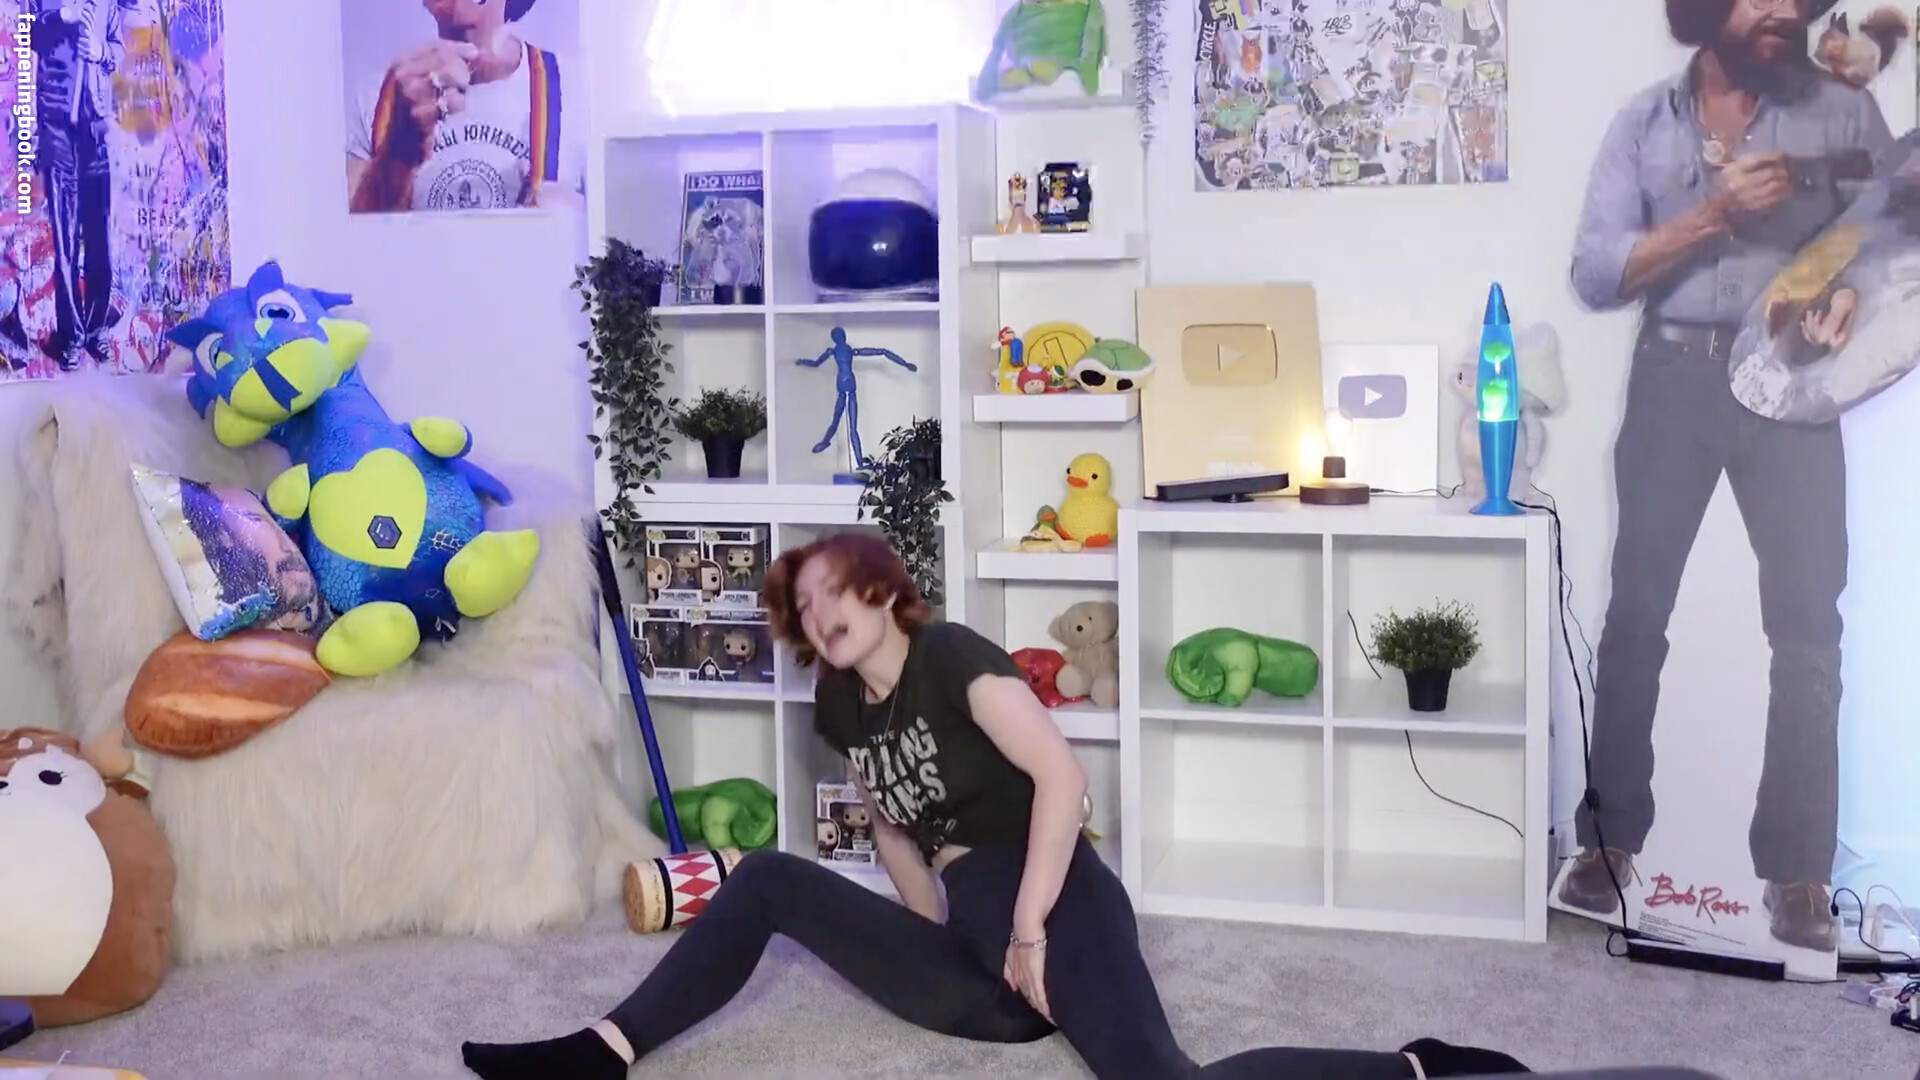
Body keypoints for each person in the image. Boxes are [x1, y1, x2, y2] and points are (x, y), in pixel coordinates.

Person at [461, 533, 1529, 1079]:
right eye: (802, 606)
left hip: (1053, 904)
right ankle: (605, 1049)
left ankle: (1415, 1065)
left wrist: (1027, 931)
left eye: (834, 590)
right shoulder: (838, 704)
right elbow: (891, 819)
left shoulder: (954, 656)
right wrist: (926, 925)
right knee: (772, 878)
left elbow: (1064, 779)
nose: (819, 613)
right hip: (976, 951)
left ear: (881, 589)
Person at [1559, 0, 1893, 953]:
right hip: (1673, 374)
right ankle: (1609, 843)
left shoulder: (1842, 112)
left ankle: (1800, 875)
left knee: (1809, 627)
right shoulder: (1644, 121)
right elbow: (1595, 273)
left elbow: (1897, 232)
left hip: (1795, 383)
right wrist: (1714, 214)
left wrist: (1852, 299)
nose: (1780, 11)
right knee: (1637, 613)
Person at [344, 0, 584, 213]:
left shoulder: (578, 89)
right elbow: (343, 239)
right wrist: (397, 156)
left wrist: (576, 222)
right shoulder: (377, 96)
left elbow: (604, 231)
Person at [30, 0, 142, 368]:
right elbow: (27, 34)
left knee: (99, 237)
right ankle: (72, 336)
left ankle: (96, 331)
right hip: (57, 125)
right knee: (65, 239)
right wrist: (62, 16)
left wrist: (100, 51)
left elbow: (118, 50)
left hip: (97, 128)